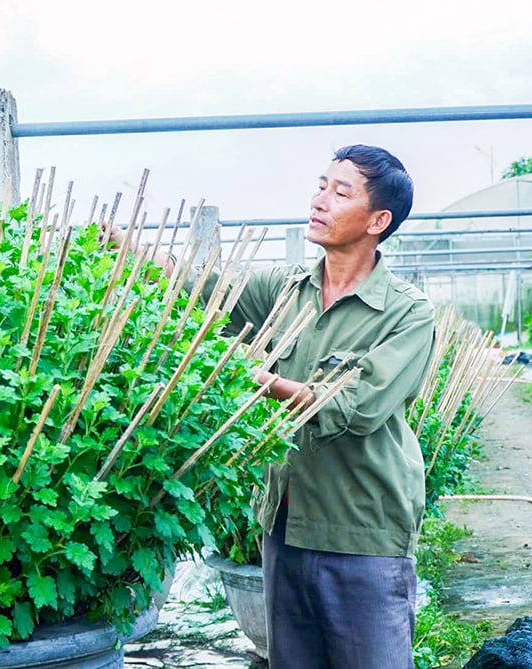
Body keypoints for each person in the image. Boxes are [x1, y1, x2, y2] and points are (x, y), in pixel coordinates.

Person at [106, 145, 436, 668]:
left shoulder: (406, 313)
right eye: (321, 185)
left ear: (379, 220)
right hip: (285, 523)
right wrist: (132, 251)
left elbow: (357, 407)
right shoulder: (284, 290)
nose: (320, 200)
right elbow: (201, 290)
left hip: (363, 530)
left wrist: (262, 381)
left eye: (340, 191)